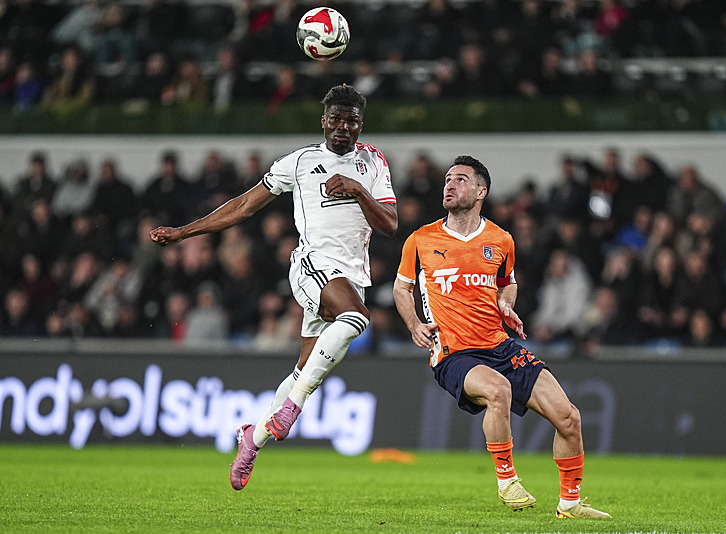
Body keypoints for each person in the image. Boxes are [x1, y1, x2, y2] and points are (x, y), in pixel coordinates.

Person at [149, 84, 398, 490]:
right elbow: (244, 205)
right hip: (313, 266)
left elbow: (389, 224)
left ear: (361, 125)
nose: (343, 127)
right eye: (336, 119)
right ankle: (290, 410)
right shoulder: (299, 162)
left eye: (351, 121)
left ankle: (253, 438)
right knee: (356, 318)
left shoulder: (373, 162)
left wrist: (357, 190)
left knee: (305, 370)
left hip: (353, 276)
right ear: (323, 121)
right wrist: (183, 232)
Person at [392, 155, 610, 519]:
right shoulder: (421, 239)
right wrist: (414, 323)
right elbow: (402, 288)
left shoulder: (501, 239)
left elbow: (508, 283)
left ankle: (570, 504)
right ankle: (507, 481)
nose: (449, 185)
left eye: (460, 179)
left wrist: (506, 304)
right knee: (498, 391)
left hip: (499, 345)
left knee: (569, 417)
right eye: (447, 179)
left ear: (481, 191)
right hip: (454, 352)